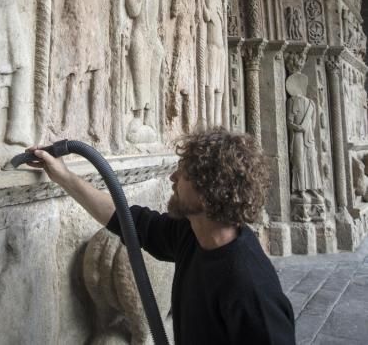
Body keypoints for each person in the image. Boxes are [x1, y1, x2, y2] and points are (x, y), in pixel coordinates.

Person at [28, 129, 296, 344]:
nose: (172, 177)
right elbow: (123, 218)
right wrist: (62, 176)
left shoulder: (248, 285)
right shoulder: (192, 235)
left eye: (184, 173)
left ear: (209, 191)